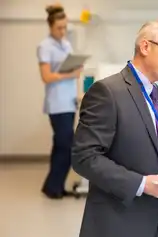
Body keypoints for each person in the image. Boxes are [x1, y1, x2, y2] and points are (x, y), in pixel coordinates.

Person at [71, 20, 158, 237]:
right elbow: (84, 157)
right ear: (145, 47)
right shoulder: (107, 92)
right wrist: (141, 184)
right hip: (122, 221)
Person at [37, 4, 82, 199]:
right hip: (56, 105)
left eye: (64, 27)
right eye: (59, 28)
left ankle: (53, 186)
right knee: (66, 147)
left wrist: (76, 72)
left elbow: (69, 72)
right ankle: (53, 186)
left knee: (61, 147)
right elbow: (46, 76)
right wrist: (70, 73)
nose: (62, 31)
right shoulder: (44, 46)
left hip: (68, 102)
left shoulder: (66, 44)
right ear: (50, 26)